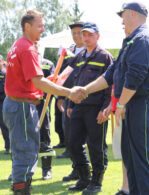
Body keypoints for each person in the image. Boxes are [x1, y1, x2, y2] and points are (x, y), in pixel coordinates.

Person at [79, 2, 149, 194]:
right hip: (131, 104)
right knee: (131, 157)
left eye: (123, 16)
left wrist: (122, 103)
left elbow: (135, 76)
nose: (121, 21)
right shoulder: (131, 41)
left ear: (132, 14)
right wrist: (85, 89)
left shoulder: (142, 39)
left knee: (143, 159)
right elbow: (111, 73)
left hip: (142, 104)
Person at [2, 10, 86, 195]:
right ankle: (22, 191)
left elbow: (29, 80)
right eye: (39, 26)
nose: (43, 29)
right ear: (27, 26)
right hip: (21, 106)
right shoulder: (28, 48)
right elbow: (38, 81)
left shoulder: (18, 44)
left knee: (23, 151)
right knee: (26, 153)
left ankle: (22, 188)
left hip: (15, 104)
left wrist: (49, 85)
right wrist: (69, 92)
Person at [67, 22, 113, 194]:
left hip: (96, 109)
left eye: (90, 35)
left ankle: (97, 182)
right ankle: (84, 177)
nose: (86, 38)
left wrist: (106, 108)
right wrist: (71, 104)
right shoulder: (78, 57)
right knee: (73, 144)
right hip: (79, 107)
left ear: (97, 36)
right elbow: (75, 82)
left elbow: (110, 85)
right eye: (83, 35)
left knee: (96, 146)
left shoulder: (105, 57)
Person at [56, 21, 85, 184]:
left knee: (88, 140)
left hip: (86, 100)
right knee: (71, 135)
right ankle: (77, 170)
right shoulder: (69, 51)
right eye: (73, 33)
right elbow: (64, 75)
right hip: (69, 99)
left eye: (79, 32)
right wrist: (60, 97)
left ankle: (90, 176)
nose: (76, 36)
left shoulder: (93, 52)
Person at [34, 41, 56, 180]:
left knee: (44, 138)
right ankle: (20, 170)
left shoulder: (47, 64)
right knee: (22, 139)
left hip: (42, 106)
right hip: (25, 106)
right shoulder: (23, 61)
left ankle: (46, 170)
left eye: (36, 44)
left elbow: (54, 83)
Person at [0, 55, 10, 154]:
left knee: (5, 125)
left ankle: (9, 146)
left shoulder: (5, 73)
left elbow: (3, 89)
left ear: (2, 61)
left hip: (3, 103)